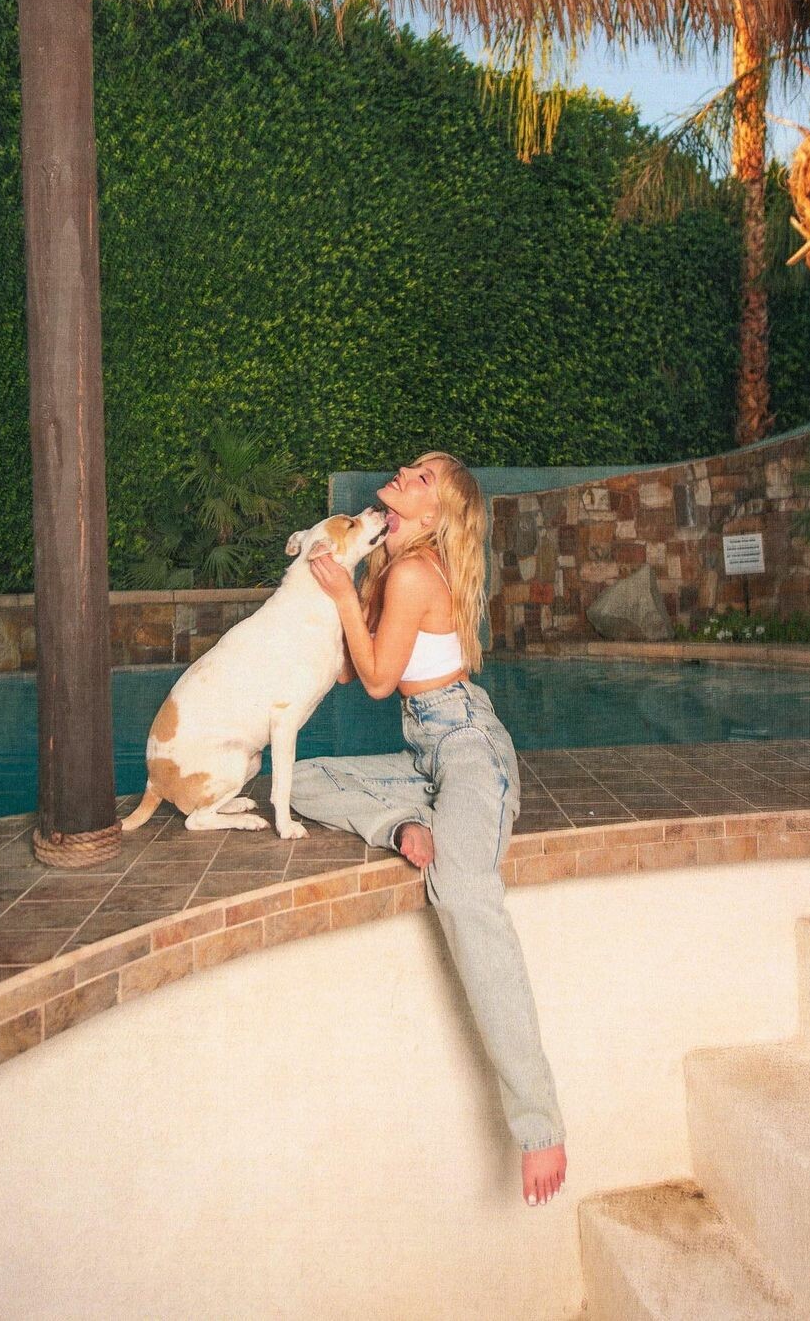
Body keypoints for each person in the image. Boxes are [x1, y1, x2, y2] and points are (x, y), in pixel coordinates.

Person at [290, 451, 568, 1208]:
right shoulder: (392, 560)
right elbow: (348, 671)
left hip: (470, 747)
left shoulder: (413, 572)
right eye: (411, 468)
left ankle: (540, 1125)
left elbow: (379, 681)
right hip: (425, 753)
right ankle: (403, 823)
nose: (405, 475)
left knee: (464, 889)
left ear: (437, 514)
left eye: (422, 479)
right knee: (302, 779)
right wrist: (342, 586)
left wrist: (346, 596)